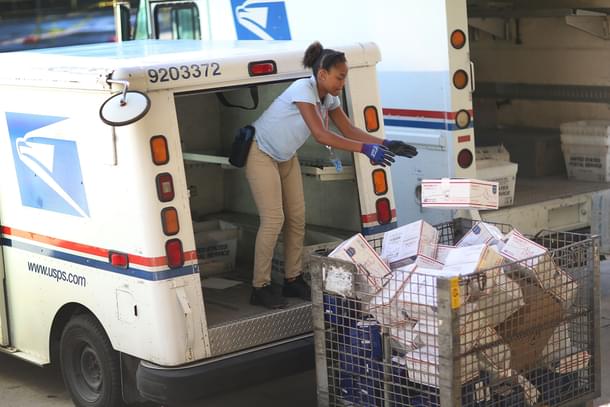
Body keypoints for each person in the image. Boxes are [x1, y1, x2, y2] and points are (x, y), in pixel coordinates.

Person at [246, 41, 418, 309]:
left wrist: (384, 143)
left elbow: (348, 130)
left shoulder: (329, 98)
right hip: (260, 152)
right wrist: (365, 149)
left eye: (345, 76)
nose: (342, 82)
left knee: (297, 217)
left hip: (285, 156)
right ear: (322, 74)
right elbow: (321, 134)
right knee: (273, 220)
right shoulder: (303, 89)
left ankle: (292, 278)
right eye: (340, 77)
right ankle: (261, 286)